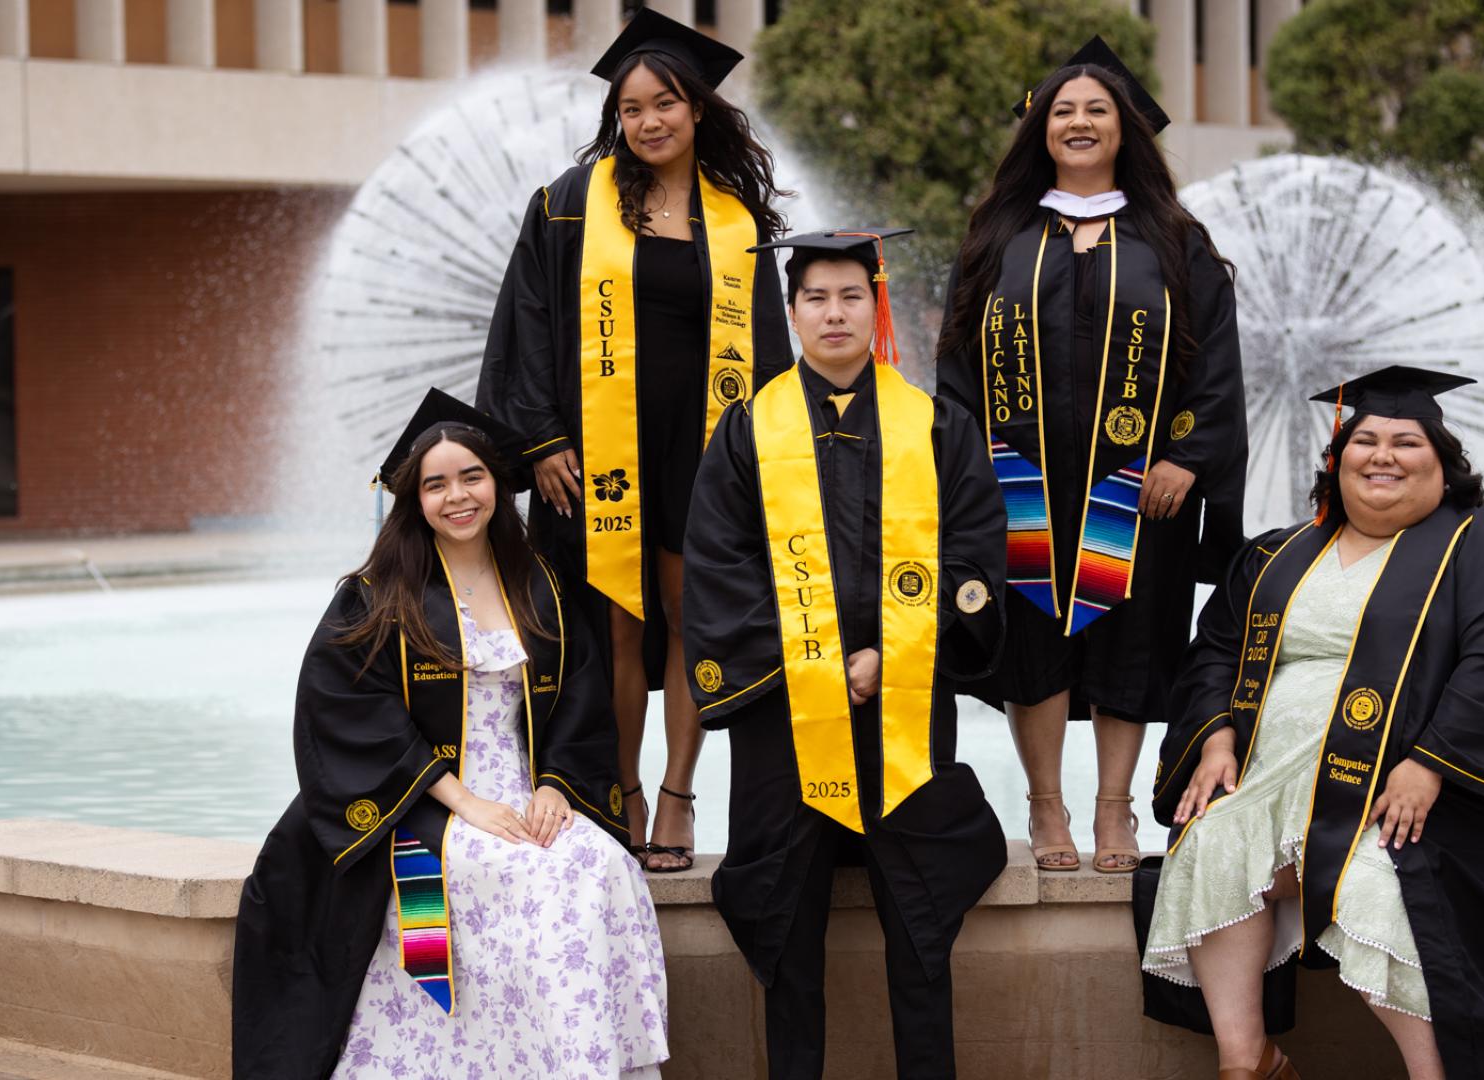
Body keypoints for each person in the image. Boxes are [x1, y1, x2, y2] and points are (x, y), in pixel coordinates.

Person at [1140, 366, 1484, 1080]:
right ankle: (1248, 1062)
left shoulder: (1483, 544)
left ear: (1443, 464)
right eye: (1366, 440)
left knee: (1380, 888)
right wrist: (1216, 735)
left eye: (1407, 442)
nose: (1382, 454)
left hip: (1414, 795)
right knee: (1209, 847)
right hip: (1271, 781)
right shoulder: (1276, 555)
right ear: (1336, 460)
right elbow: (1215, 652)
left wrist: (1434, 762)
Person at [232, 389, 667, 1080]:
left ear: (498, 482)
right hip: (423, 806)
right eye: (436, 483)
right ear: (415, 499)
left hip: (529, 794)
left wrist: (556, 786)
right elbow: (346, 714)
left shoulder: (543, 587)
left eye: (472, 476)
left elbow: (581, 706)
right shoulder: (378, 595)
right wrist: (465, 803)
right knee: (524, 875)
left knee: (597, 865)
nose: (457, 496)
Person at [683, 229, 1009, 1079]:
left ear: (876, 306)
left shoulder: (935, 425)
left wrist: (892, 656)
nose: (834, 313)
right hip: (785, 722)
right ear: (790, 313)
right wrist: (818, 663)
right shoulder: (747, 431)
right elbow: (720, 568)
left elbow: (974, 561)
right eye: (816, 299)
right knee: (788, 918)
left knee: (919, 917)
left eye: (850, 297)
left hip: (903, 710)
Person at [477, 7, 794, 872]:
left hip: (704, 452)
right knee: (614, 623)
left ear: (697, 111)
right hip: (597, 451)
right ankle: (614, 791)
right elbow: (528, 322)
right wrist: (539, 439)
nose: (648, 121)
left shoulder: (736, 222)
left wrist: (765, 455)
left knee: (696, 617)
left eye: (664, 104)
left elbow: (768, 347)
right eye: (631, 108)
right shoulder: (569, 206)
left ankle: (677, 796)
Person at [935, 37, 1248, 874]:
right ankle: (1046, 806)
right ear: (1040, 127)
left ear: (1124, 131)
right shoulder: (1001, 233)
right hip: (1020, 485)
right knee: (1032, 641)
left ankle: (1116, 810)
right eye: (1062, 110)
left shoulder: (1174, 238)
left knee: (1130, 639)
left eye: (1096, 111)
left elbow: (1215, 364)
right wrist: (971, 471)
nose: (1077, 122)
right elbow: (956, 363)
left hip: (1137, 487)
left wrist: (1187, 456)